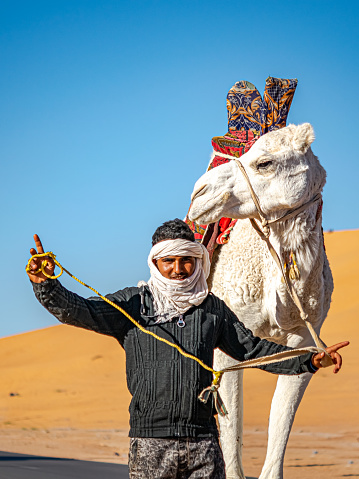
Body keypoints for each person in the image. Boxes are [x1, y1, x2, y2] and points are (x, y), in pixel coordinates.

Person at [27, 219, 348, 479]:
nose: (178, 269)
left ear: (197, 262)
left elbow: (252, 350)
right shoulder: (133, 304)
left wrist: (307, 360)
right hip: (150, 445)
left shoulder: (211, 310)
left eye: (186, 260)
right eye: (169, 261)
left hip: (205, 445)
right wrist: (47, 285)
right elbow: (80, 310)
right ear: (155, 262)